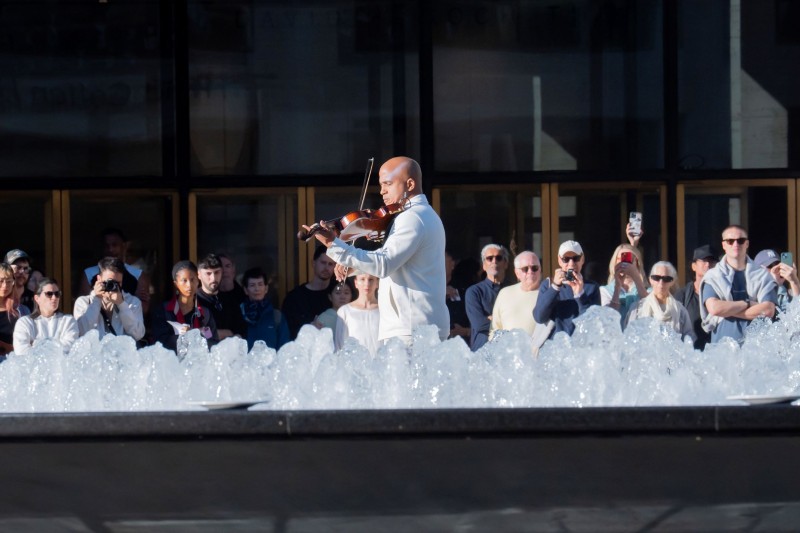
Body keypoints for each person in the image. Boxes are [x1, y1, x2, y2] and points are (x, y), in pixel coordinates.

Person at [303, 156, 449, 343]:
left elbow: (384, 264)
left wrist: (334, 244)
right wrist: (353, 266)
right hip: (418, 326)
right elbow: (400, 266)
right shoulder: (423, 215)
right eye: (381, 185)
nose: (382, 191)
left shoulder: (412, 218)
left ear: (410, 184)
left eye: (388, 183)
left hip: (412, 329)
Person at [700, 225, 777, 343]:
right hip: (723, 352)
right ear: (723, 245)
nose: (736, 244)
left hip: (757, 351)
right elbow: (715, 308)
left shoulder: (762, 275)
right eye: (730, 241)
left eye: (740, 241)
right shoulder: (713, 276)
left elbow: (768, 310)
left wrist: (728, 311)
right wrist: (747, 304)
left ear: (747, 244)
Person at [533, 240, 601, 339]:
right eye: (566, 259)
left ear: (582, 259)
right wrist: (555, 287)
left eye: (576, 258)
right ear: (559, 260)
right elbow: (539, 317)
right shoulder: (548, 285)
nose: (571, 263)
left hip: (581, 348)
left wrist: (580, 294)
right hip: (555, 348)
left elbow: (593, 324)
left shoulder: (591, 287)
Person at [79, 228, 151, 315]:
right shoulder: (89, 274)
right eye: (106, 246)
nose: (110, 250)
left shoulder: (138, 275)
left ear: (124, 246)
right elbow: (85, 308)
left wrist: (122, 301)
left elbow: (143, 309)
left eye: (115, 245)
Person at [73, 257, 146, 342]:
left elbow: (138, 334)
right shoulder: (83, 302)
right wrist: (96, 300)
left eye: (118, 283)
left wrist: (122, 304)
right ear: (99, 279)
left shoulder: (132, 302)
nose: (113, 286)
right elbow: (81, 333)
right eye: (109, 282)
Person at [151, 260, 218, 352]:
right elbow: (160, 342)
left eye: (192, 279)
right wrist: (184, 338)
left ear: (198, 281)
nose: (189, 285)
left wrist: (196, 335)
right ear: (176, 284)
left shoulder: (205, 313)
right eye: (184, 281)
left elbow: (213, 342)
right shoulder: (163, 311)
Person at [627, 261, 695, 342]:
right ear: (650, 280)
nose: (661, 283)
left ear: (672, 282)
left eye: (666, 279)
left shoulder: (680, 311)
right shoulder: (637, 308)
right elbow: (628, 336)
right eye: (656, 278)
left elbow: (689, 339)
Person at [13, 278, 79, 355]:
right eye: (49, 294)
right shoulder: (25, 322)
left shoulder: (69, 321)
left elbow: (70, 348)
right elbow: (21, 352)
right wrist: (58, 345)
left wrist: (35, 345)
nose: (54, 298)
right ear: (37, 298)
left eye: (57, 294)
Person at [281, 246, 335, 339]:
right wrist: (308, 329)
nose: (326, 267)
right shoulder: (295, 298)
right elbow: (287, 332)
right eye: (323, 263)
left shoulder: (340, 293)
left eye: (331, 264)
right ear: (313, 263)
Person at [465, 244, 510, 351]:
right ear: (484, 265)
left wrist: (492, 318)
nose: (494, 261)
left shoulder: (512, 290)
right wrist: (505, 320)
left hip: (508, 351)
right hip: (482, 351)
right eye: (489, 258)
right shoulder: (474, 292)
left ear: (506, 264)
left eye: (499, 258)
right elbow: (479, 324)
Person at [674, 244, 719, 349]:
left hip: (718, 355)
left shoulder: (724, 294)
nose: (708, 264)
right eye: (703, 261)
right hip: (692, 357)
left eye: (712, 261)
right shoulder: (682, 295)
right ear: (693, 266)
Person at [490, 250, 541, 337]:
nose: (530, 272)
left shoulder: (548, 293)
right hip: (508, 349)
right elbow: (495, 329)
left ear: (540, 269)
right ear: (517, 273)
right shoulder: (504, 294)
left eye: (534, 268)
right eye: (525, 269)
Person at [196, 253, 246, 340]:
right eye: (208, 273)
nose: (213, 278)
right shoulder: (192, 301)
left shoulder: (230, 301)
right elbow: (192, 332)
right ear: (199, 275)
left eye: (217, 272)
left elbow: (241, 332)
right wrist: (220, 333)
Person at [240, 267, 290, 351]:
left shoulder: (276, 317)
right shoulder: (239, 314)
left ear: (266, 288)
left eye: (260, 284)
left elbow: (284, 348)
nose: (257, 289)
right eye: (252, 285)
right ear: (246, 290)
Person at [600, 244, 648, 325]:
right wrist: (617, 287)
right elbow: (608, 317)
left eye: (628, 258)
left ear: (636, 263)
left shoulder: (647, 289)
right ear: (614, 262)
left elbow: (651, 308)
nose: (624, 262)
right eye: (620, 259)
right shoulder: (605, 291)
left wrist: (636, 277)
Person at [335, 272, 380, 355]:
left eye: (371, 279)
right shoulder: (345, 311)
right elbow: (339, 345)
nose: (367, 284)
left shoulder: (385, 310)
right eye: (362, 279)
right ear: (356, 283)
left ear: (377, 283)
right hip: (355, 365)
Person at [754, 249, 800, 313]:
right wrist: (773, 284)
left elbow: (796, 316)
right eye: (770, 266)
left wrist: (794, 282)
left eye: (777, 265)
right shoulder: (751, 295)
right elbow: (770, 316)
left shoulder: (790, 293)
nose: (774, 269)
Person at [0, 263, 30, 356]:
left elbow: (29, 341)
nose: (5, 286)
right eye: (1, 281)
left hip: (12, 363)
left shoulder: (22, 310)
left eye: (9, 281)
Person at [445, 250, 470, 344]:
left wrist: (465, 331)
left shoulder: (466, 290)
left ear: (452, 264)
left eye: (440, 259)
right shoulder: (425, 291)